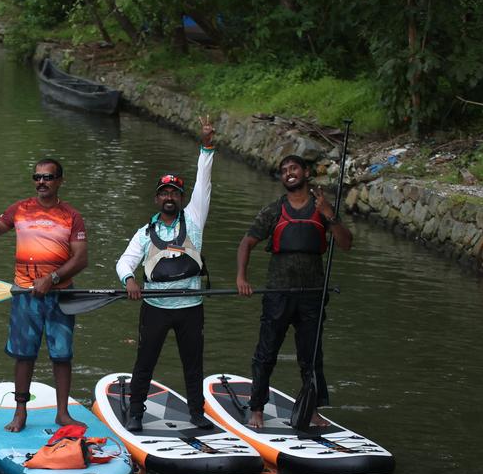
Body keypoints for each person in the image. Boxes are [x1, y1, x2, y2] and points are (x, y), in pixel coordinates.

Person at [0, 158, 87, 433]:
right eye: (37, 177)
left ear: (59, 181)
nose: (41, 182)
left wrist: (53, 278)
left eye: (48, 177)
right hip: (25, 295)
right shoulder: (19, 209)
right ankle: (20, 413)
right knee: (24, 355)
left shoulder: (72, 215)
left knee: (62, 355)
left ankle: (63, 414)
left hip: (61, 295)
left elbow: (81, 258)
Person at [115, 117, 218, 432]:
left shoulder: (195, 217)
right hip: (156, 308)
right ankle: (135, 413)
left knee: (193, 366)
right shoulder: (145, 232)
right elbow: (123, 263)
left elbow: (204, 180)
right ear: (157, 198)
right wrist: (130, 281)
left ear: (183, 198)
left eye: (175, 192)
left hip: (190, 308)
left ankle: (197, 414)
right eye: (164, 193)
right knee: (144, 365)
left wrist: (207, 146)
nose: (169, 197)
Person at [236, 153, 352, 429]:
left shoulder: (322, 207)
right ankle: (256, 410)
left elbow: (346, 244)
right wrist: (242, 277)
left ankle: (312, 411)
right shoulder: (274, 210)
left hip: (312, 295)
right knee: (266, 352)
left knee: (311, 356)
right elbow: (246, 242)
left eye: (294, 168)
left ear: (305, 172)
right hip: (278, 293)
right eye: (284, 170)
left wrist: (330, 216)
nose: (289, 172)